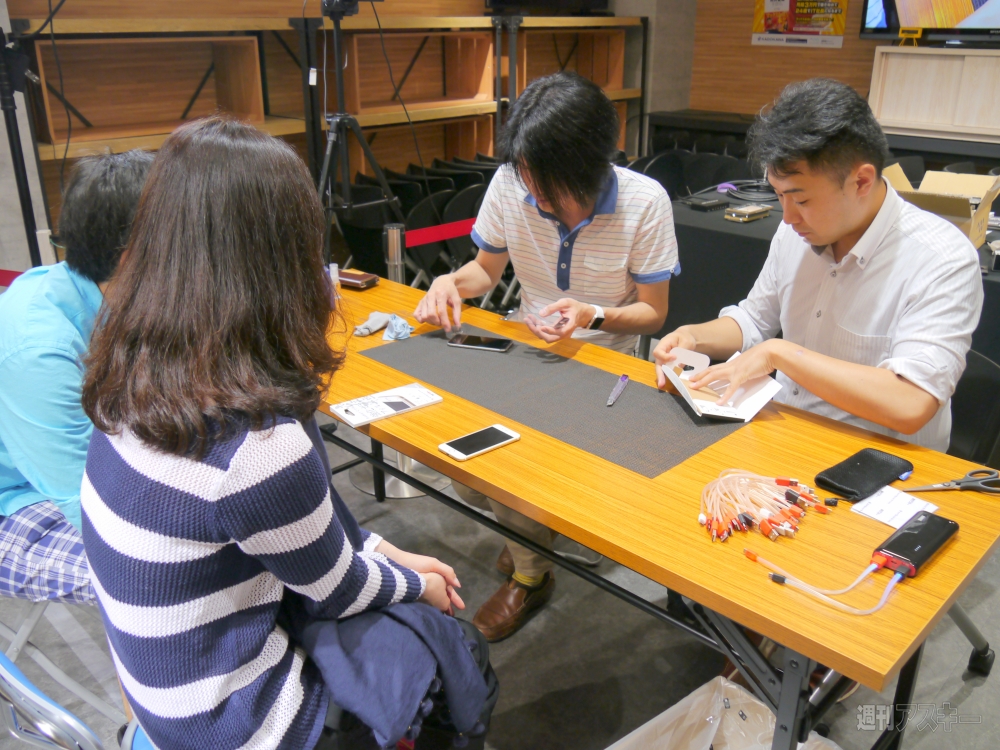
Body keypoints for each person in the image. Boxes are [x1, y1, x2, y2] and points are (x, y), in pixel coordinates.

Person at [80, 118, 490, 750]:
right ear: (285, 262)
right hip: (238, 726)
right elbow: (334, 589)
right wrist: (419, 582)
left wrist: (384, 549)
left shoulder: (130, 378)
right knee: (457, 649)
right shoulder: (257, 444)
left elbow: (293, 531)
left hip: (160, 698)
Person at [414, 72, 680, 641]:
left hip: (604, 371)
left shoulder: (644, 202)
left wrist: (592, 314)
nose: (532, 196)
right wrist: (449, 282)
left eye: (546, 187)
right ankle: (529, 530)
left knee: (508, 465)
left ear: (587, 168)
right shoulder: (513, 182)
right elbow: (484, 271)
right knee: (454, 455)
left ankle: (532, 573)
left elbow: (654, 313)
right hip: (526, 350)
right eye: (526, 180)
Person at [654, 78, 982, 452]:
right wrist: (694, 337)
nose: (788, 217)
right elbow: (755, 320)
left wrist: (780, 354)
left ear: (861, 181)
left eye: (802, 200)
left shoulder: (941, 258)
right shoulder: (794, 231)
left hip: (878, 461)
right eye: (779, 196)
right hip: (786, 435)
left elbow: (910, 403)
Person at [0, 150, 153, 605]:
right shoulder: (39, 350)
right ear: (131, 256)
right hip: (20, 499)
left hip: (93, 467)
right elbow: (86, 501)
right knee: (176, 581)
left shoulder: (112, 296)